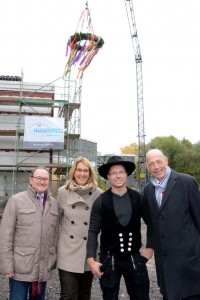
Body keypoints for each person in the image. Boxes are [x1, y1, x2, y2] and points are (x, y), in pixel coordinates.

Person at [86, 155, 153, 300]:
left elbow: (151, 224)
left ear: (126, 174)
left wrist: (149, 248)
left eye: (121, 172)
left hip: (134, 257)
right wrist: (91, 259)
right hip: (109, 258)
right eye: (114, 173)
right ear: (108, 176)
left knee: (141, 295)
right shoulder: (101, 201)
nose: (118, 176)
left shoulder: (138, 198)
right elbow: (93, 231)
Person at [144, 148, 200, 300]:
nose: (156, 167)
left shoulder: (186, 182)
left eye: (159, 161)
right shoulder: (148, 190)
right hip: (165, 263)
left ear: (166, 160)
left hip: (190, 261)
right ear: (147, 167)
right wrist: (149, 246)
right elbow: (152, 223)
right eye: (151, 164)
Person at [0, 167, 59, 300]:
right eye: (38, 178)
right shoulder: (16, 201)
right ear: (31, 180)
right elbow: (5, 235)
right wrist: (7, 266)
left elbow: (55, 235)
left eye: (45, 179)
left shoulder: (54, 204)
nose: (42, 182)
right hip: (20, 266)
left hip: (42, 267)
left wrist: (52, 260)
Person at [57, 157, 102, 300]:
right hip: (68, 251)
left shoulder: (98, 193)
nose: (82, 174)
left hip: (88, 253)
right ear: (73, 172)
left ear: (90, 173)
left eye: (85, 170)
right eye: (79, 170)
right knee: (68, 295)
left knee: (84, 295)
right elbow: (57, 219)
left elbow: (102, 225)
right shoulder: (63, 192)